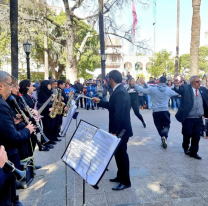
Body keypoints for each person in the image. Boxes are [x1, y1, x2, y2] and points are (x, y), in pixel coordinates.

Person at [92, 70, 133, 191]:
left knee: (122, 155)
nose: (107, 81)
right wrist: (100, 102)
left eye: (108, 79)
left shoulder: (120, 92)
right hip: (120, 129)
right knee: (118, 154)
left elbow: (119, 114)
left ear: (111, 80)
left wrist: (114, 132)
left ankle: (126, 181)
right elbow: (112, 106)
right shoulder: (118, 90)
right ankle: (120, 176)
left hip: (121, 130)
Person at [0, 71, 35, 206]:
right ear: (0, 85)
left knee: (10, 193)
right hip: (6, 156)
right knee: (7, 194)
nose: (12, 88)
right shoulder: (2, 104)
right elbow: (12, 137)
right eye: (10, 84)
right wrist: (28, 130)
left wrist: (12, 122)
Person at [135, 76, 178, 148]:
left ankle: (162, 136)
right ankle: (164, 136)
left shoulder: (153, 89)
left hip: (156, 111)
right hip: (165, 110)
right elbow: (177, 94)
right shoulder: (168, 90)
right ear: (166, 81)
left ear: (159, 81)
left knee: (159, 126)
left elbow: (142, 90)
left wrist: (135, 84)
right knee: (167, 124)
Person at [175, 75, 208, 160]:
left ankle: (193, 152)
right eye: (197, 82)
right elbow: (178, 90)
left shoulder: (203, 90)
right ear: (192, 82)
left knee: (196, 135)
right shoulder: (185, 88)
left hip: (198, 117)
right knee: (187, 134)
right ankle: (185, 147)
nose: (199, 83)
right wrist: (176, 85)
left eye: (199, 81)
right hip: (188, 117)